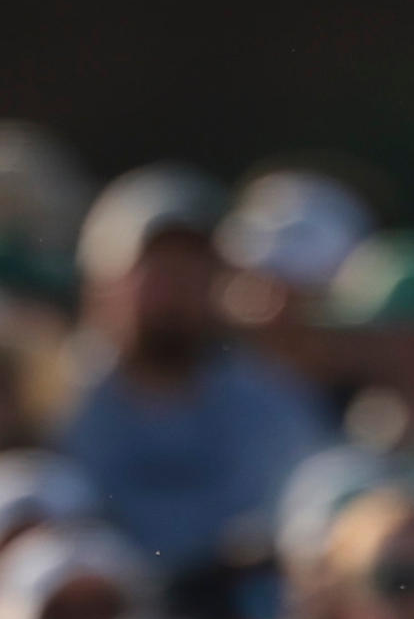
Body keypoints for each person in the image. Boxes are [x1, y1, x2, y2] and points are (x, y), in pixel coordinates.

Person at [58, 169, 327, 577]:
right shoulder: (53, 399)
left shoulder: (272, 403)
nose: (175, 291)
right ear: (103, 280)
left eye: (193, 269)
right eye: (155, 271)